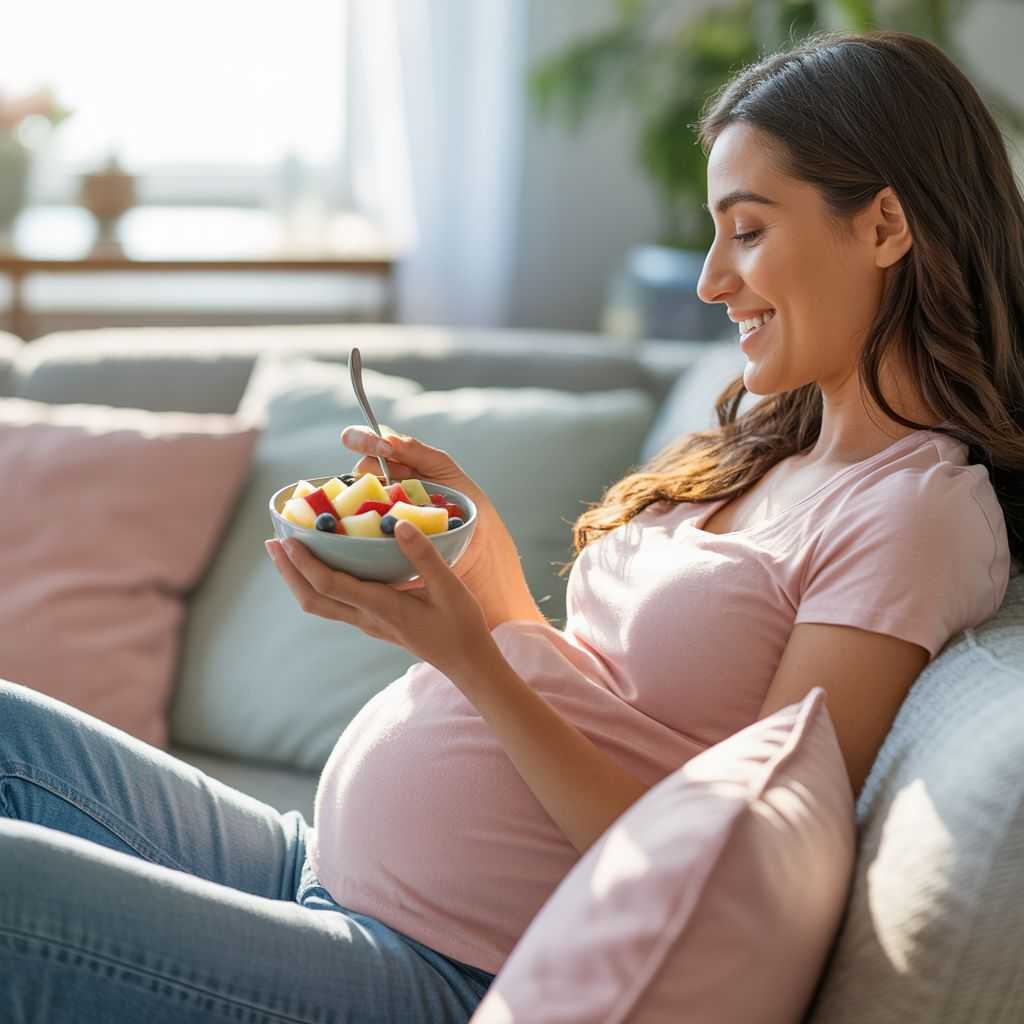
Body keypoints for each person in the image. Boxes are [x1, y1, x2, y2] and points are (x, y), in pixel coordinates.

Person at [1, 29, 1021, 1023]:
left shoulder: (913, 513)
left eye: (747, 229)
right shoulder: (772, 443)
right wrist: (482, 583)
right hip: (327, 868)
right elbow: (612, 695)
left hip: (438, 966)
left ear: (885, 226)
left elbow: (733, 864)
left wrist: (472, 665)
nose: (712, 280)